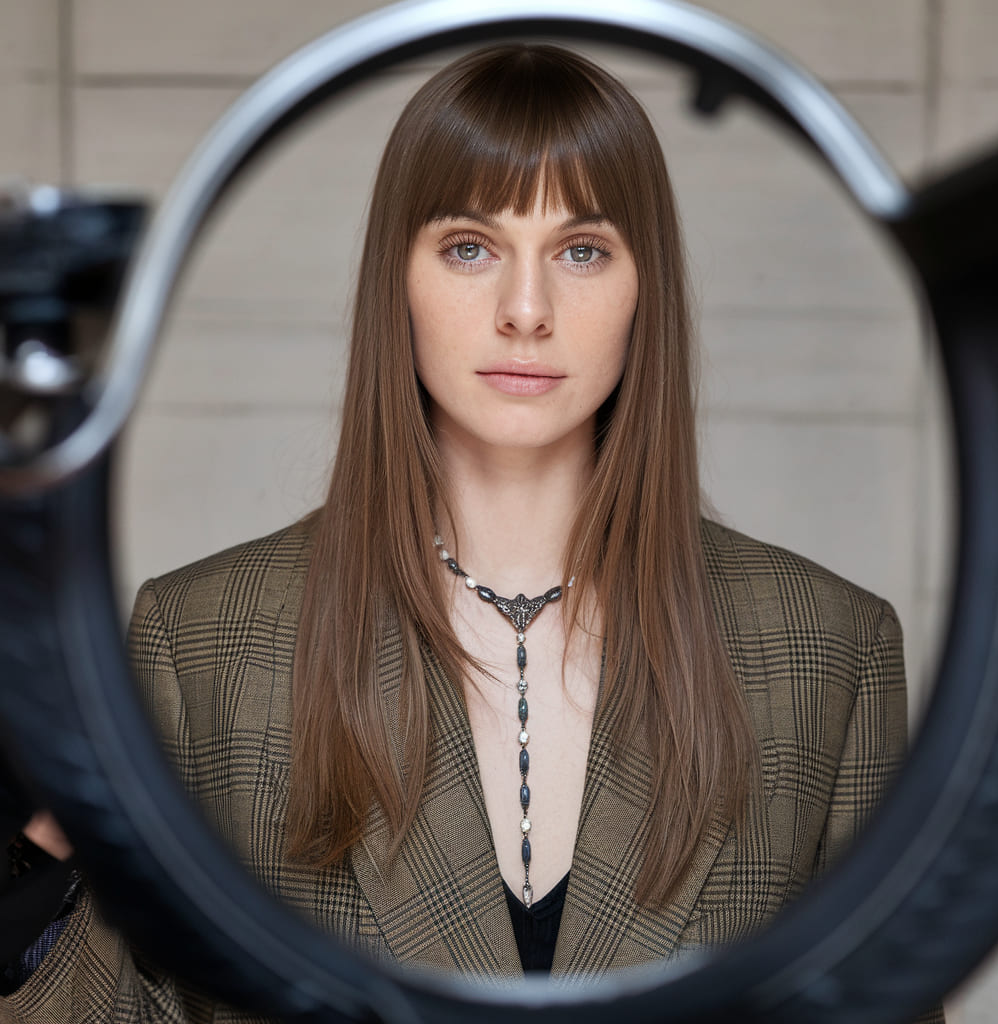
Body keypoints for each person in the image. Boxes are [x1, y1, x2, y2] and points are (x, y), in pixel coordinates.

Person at [1, 43, 942, 1022]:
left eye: (581, 249)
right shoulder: (203, 642)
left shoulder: (827, 649)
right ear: (396, 279)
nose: (525, 311)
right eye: (469, 246)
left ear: (643, 285)